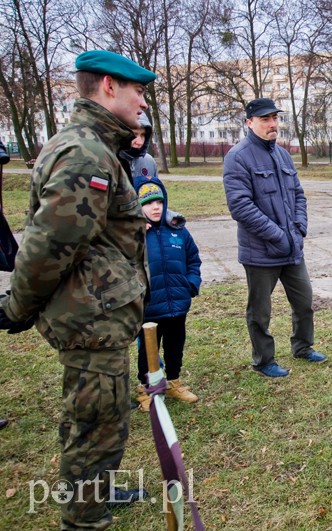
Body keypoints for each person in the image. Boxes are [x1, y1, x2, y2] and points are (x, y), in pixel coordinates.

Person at [0, 50, 157, 528]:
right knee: (96, 426)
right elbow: (50, 245)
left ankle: (97, 494)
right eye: (137, 91)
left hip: (100, 314)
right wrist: (15, 308)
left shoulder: (97, 146)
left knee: (98, 419)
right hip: (91, 319)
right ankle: (85, 519)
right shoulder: (86, 151)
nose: (143, 102)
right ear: (109, 86)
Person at [223, 97, 327, 378]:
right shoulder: (238, 157)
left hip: (291, 247)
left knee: (304, 302)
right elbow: (241, 207)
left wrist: (299, 228)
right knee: (260, 312)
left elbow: (298, 195)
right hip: (260, 252)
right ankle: (264, 360)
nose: (272, 124)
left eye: (275, 119)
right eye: (265, 119)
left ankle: (303, 347)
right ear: (249, 123)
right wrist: (277, 235)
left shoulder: (282, 154)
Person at [134, 180, 202, 411]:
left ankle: (173, 382)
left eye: (159, 202)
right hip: (149, 307)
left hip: (177, 303)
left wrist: (190, 284)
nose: (155, 207)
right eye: (149, 203)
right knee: (148, 351)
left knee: (175, 345)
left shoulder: (178, 230)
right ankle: (146, 389)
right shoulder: (133, 233)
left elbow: (193, 259)